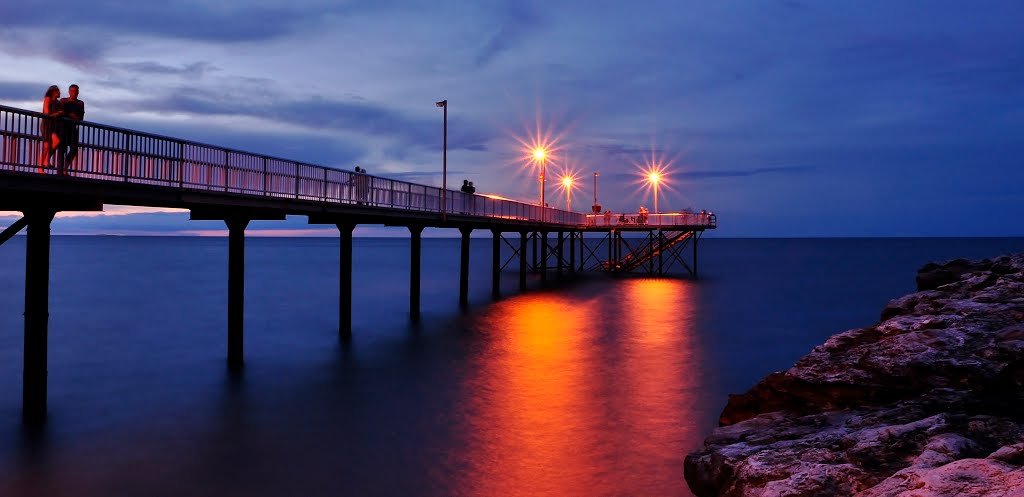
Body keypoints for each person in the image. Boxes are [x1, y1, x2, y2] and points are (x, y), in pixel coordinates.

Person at [59, 84, 85, 173]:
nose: (74, 93)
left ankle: (65, 168)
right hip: (63, 128)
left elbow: (81, 118)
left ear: (78, 92)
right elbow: (60, 113)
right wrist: (69, 115)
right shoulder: (63, 101)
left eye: (76, 91)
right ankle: (60, 170)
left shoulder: (80, 103)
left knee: (74, 149)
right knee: (62, 149)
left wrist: (76, 118)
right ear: (69, 92)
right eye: (72, 91)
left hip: (73, 129)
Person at [37, 85, 63, 171]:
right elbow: (46, 113)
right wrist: (57, 113)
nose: (59, 93)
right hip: (47, 125)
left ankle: (46, 161)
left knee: (55, 142)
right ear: (53, 92)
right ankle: (40, 168)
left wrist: (60, 113)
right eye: (57, 91)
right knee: (46, 146)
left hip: (53, 126)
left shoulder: (57, 102)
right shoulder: (48, 99)